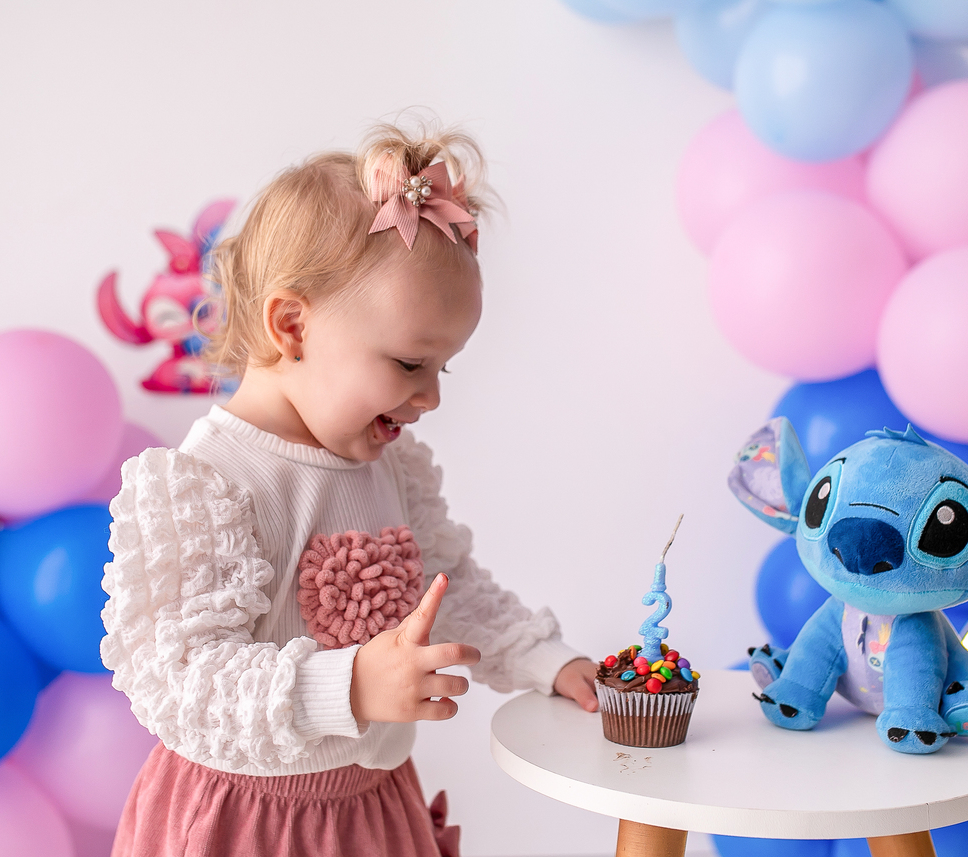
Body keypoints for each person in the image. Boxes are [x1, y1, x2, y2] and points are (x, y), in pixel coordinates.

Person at [101, 120, 598, 857]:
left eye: (442, 368)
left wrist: (542, 658)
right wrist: (350, 686)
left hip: (371, 809)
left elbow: (444, 590)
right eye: (409, 364)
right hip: (244, 819)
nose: (430, 397)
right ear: (292, 326)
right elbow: (181, 681)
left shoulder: (393, 468)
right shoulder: (207, 484)